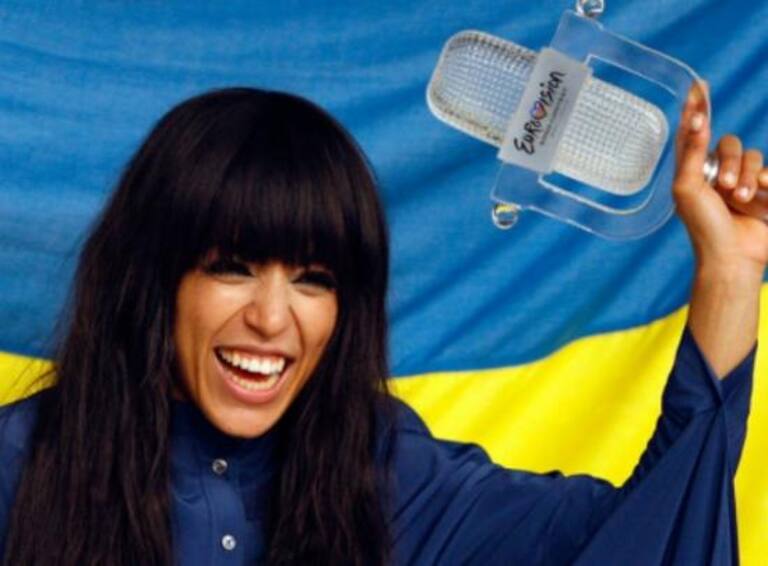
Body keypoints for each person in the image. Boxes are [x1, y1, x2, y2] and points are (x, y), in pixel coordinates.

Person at [0, 86, 765, 566]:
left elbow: (647, 533)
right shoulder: (19, 466)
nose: (271, 318)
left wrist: (730, 275)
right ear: (153, 278)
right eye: (231, 267)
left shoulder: (386, 475)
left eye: (314, 279)